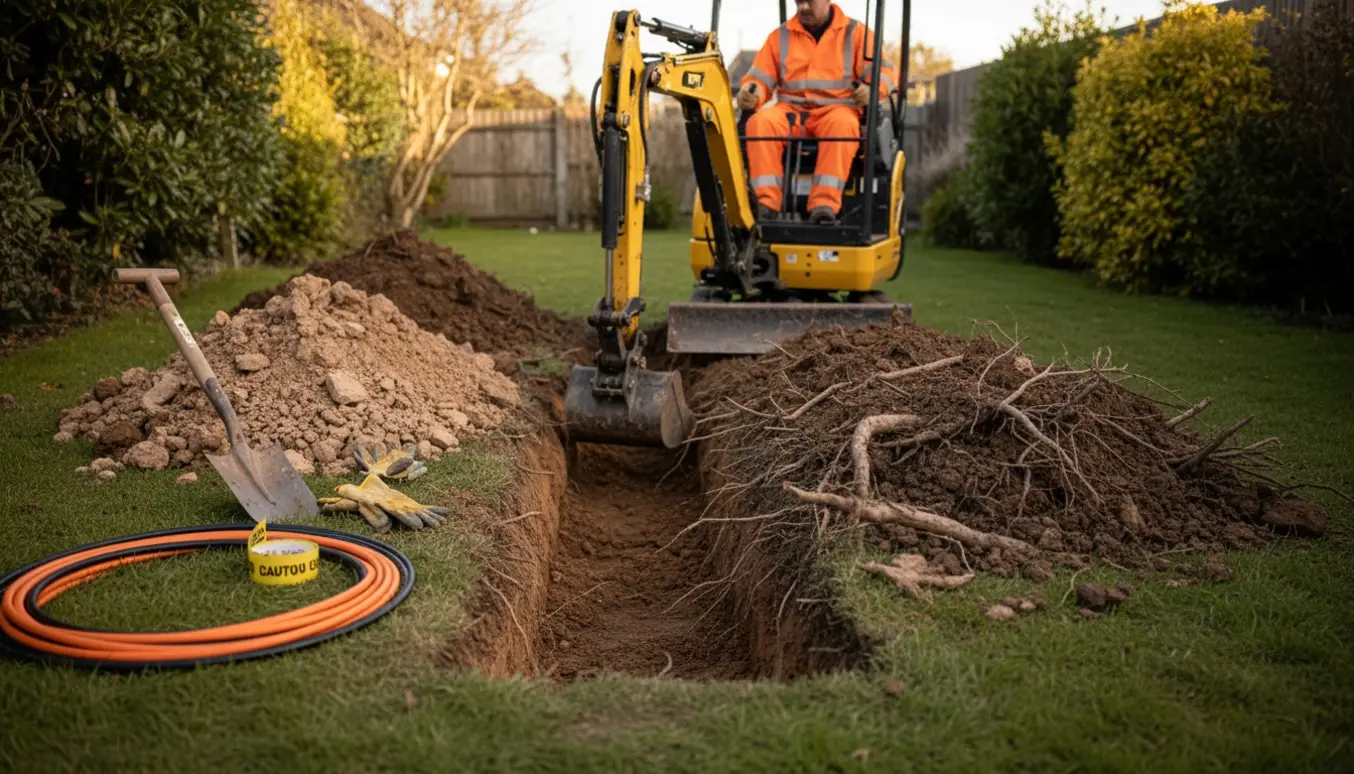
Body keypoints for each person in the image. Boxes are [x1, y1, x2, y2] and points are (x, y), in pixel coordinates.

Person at [736, 0, 898, 223]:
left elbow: (885, 73)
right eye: (798, 2)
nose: (803, 7)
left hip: (837, 110)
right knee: (759, 123)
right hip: (791, 112)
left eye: (809, 1)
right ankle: (766, 204)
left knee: (843, 125)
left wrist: (872, 90)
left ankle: (824, 205)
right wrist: (751, 92)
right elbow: (759, 78)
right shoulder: (780, 36)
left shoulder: (856, 33)